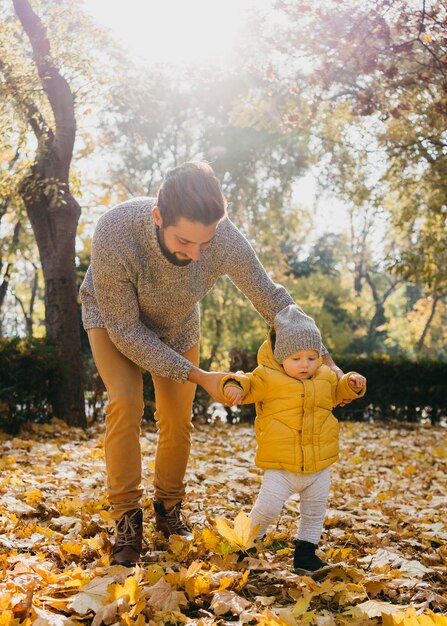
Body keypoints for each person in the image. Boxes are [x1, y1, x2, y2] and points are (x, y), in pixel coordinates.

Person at [79, 161, 348, 567]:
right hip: (114, 321)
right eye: (185, 242)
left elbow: (273, 300)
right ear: (158, 217)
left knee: (177, 416)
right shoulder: (115, 231)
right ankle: (126, 518)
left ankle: (168, 509)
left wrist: (328, 362)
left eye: (205, 244)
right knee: (126, 403)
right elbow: (127, 332)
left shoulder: (222, 238)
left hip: (179, 323)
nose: (196, 253)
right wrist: (200, 376)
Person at [221, 304, 366, 572]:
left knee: (314, 512)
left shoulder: (324, 377)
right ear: (281, 356)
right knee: (267, 508)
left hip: (319, 465)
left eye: (311, 358)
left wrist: (352, 383)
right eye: (296, 358)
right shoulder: (268, 376)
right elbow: (246, 382)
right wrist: (234, 386)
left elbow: (337, 393)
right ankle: (245, 544)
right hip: (281, 466)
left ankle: (305, 555)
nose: (305, 365)